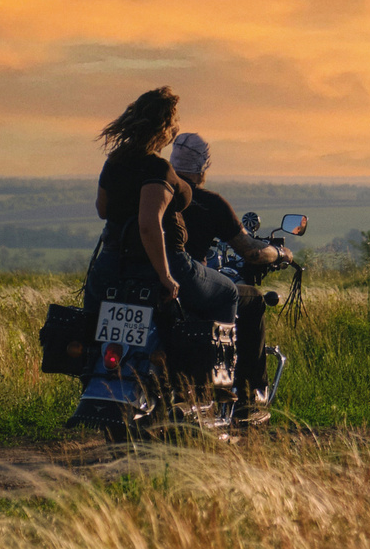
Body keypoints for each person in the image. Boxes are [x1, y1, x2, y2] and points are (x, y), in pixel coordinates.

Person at [89, 87, 243, 380]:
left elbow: (102, 209)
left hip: (111, 265)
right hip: (165, 262)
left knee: (90, 324)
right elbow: (149, 224)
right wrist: (165, 275)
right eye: (175, 121)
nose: (177, 127)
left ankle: (96, 371)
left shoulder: (114, 162)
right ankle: (218, 378)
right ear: (165, 127)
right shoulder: (156, 167)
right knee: (228, 292)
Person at [166, 130, 282, 403]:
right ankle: (246, 391)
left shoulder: (152, 191)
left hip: (147, 277)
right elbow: (250, 251)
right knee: (251, 299)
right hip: (187, 281)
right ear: (203, 166)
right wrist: (279, 253)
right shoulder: (209, 203)